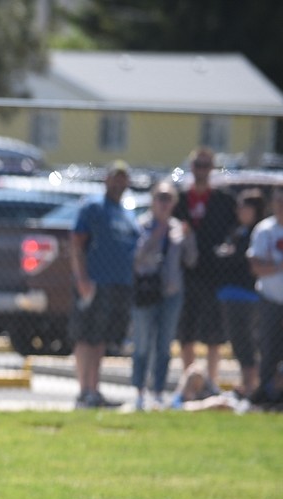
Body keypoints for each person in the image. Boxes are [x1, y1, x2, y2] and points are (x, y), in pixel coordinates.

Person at [69, 160, 140, 408]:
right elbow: (77, 244)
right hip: (95, 283)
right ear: (106, 180)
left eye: (123, 178)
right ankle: (84, 390)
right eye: (115, 178)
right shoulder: (93, 208)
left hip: (119, 285)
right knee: (87, 336)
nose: (119, 183)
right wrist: (82, 279)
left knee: (100, 339)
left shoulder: (126, 212)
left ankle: (94, 390)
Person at [173, 147, 237, 391]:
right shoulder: (180, 198)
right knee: (186, 330)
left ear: (212, 169)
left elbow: (233, 232)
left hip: (214, 274)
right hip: (186, 272)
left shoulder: (223, 200)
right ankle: (190, 382)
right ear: (191, 168)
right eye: (197, 164)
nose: (201, 169)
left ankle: (210, 382)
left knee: (213, 332)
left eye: (205, 165)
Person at [129, 180, 196, 410]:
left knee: (164, 345)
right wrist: (157, 234)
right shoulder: (141, 225)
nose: (164, 203)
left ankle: (158, 392)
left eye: (169, 199)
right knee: (142, 343)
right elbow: (136, 258)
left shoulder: (179, 228)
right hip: (146, 292)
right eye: (161, 198)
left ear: (175, 202)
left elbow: (191, 260)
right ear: (153, 200)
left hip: (171, 293)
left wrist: (188, 238)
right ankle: (139, 392)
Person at [214, 188, 267, 397]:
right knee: (237, 341)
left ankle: (251, 386)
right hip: (230, 293)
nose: (239, 210)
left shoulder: (257, 233)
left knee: (246, 341)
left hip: (247, 296)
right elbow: (225, 257)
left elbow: (239, 261)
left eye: (244, 206)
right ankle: (248, 384)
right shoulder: (237, 231)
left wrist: (228, 256)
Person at [248, 183, 283, 398]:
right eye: (277, 201)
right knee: (268, 349)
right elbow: (256, 266)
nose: (280, 206)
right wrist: (280, 267)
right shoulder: (265, 230)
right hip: (269, 299)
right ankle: (265, 396)